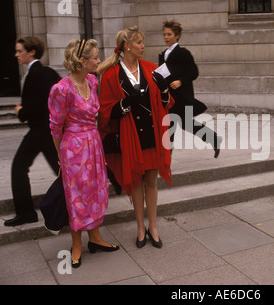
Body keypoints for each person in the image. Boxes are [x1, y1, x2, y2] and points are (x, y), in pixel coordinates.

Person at [97, 26, 173, 249]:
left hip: (152, 134)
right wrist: (124, 104)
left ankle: (153, 227)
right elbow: (104, 110)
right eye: (139, 42)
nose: (143, 46)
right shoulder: (111, 75)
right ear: (127, 46)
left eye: (143, 41)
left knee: (151, 181)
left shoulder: (151, 69)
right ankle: (140, 228)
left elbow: (166, 103)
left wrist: (165, 91)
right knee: (136, 184)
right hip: (130, 137)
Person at [48, 39, 119, 268]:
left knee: (96, 190)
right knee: (76, 196)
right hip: (73, 148)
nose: (98, 61)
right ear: (82, 61)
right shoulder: (61, 89)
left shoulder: (92, 81)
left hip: (94, 144)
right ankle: (76, 244)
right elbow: (55, 126)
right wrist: (60, 154)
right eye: (95, 58)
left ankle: (95, 238)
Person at [4, 37, 60, 227]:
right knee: (61, 169)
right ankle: (78, 203)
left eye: (20, 51)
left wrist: (21, 112)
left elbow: (36, 107)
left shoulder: (36, 74)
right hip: (48, 130)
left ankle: (26, 213)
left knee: (19, 167)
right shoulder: (47, 72)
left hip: (40, 130)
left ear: (31, 52)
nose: (16, 54)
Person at [159, 20, 222, 158]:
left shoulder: (183, 53)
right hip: (169, 99)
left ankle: (165, 161)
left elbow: (194, 72)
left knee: (172, 128)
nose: (166, 37)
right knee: (180, 126)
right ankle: (214, 139)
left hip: (181, 97)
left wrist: (181, 81)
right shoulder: (163, 54)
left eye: (169, 34)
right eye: (164, 34)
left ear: (177, 35)